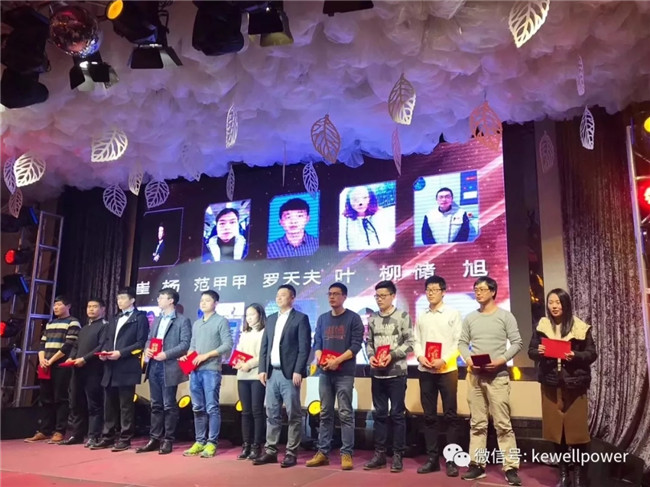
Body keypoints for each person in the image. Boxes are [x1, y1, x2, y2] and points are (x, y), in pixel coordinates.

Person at [528, 289, 597, 487]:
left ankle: (579, 475)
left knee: (577, 433)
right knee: (556, 432)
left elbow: (592, 354)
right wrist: (539, 351)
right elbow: (531, 351)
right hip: (551, 385)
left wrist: (575, 355)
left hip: (574, 386)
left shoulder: (579, 327)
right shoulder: (542, 326)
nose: (554, 306)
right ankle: (564, 473)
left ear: (565, 304)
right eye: (551, 302)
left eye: (558, 302)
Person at [458, 276, 523, 486]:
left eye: (482, 289)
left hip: (498, 376)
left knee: (503, 424)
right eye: (476, 289)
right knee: (477, 423)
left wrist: (501, 360)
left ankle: (511, 467)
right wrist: (468, 360)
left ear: (493, 292)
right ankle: (477, 465)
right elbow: (462, 343)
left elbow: (517, 343)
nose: (478, 292)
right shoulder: (470, 318)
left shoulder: (505, 316)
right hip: (475, 376)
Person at [306, 283, 364, 471]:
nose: (332, 297)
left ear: (344, 297)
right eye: (329, 294)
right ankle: (322, 452)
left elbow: (356, 346)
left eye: (336, 294)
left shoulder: (353, 318)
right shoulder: (323, 318)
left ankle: (346, 453)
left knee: (345, 413)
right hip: (325, 373)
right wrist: (319, 356)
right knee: (325, 413)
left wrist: (337, 361)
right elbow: (317, 342)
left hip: (344, 373)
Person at [253, 284, 311, 468]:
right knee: (272, 413)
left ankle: (291, 453)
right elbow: (265, 346)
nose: (278, 298)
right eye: (277, 295)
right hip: (272, 373)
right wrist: (262, 369)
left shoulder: (300, 318)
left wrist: (298, 370)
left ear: (292, 298)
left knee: (293, 414)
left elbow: (304, 348)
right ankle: (270, 451)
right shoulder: (271, 319)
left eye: (283, 295)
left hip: (289, 374)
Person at [413, 276, 462, 476]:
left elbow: (458, 342)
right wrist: (420, 356)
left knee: (450, 416)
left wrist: (444, 359)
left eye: (435, 289)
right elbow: (416, 340)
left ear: (443, 291)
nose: (431, 293)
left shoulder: (452, 313)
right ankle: (432, 459)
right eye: (428, 290)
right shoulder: (422, 315)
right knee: (429, 416)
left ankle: (451, 460)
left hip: (447, 371)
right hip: (426, 371)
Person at [364, 280, 414, 473]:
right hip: (377, 374)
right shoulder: (372, 318)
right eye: (377, 296)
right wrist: (371, 356)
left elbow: (410, 343)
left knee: (397, 415)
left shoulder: (402, 316)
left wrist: (392, 355)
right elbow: (369, 343)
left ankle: (397, 455)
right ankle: (379, 454)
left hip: (397, 373)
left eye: (383, 296)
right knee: (379, 414)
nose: (379, 299)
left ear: (393, 296)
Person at [91, 287, 149, 452]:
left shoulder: (139, 318)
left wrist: (121, 353)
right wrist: (104, 353)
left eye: (123, 298)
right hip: (110, 365)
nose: (119, 302)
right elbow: (107, 340)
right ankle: (107, 436)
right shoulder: (115, 318)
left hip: (127, 366)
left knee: (125, 405)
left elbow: (140, 343)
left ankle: (125, 438)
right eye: (118, 299)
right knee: (108, 404)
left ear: (132, 300)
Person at [136, 288, 192, 455]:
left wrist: (166, 354)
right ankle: (154, 438)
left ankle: (168, 439)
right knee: (155, 404)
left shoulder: (182, 320)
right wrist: (147, 349)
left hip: (169, 366)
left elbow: (185, 344)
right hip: (154, 365)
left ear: (171, 300)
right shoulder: (157, 319)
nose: (158, 300)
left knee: (169, 405)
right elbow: (149, 339)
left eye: (161, 298)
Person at [181, 290, 233, 458]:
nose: (203, 303)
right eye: (201, 300)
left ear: (215, 303)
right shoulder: (197, 324)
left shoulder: (221, 321)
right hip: (195, 370)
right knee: (197, 407)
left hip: (211, 369)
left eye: (207, 300)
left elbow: (227, 345)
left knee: (211, 407)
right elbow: (193, 345)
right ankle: (199, 441)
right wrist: (188, 356)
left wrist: (206, 355)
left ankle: (211, 443)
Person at [25, 296, 81, 444]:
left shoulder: (73, 322)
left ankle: (59, 431)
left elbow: (68, 345)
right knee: (45, 398)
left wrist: (51, 360)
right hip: (46, 365)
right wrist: (42, 359)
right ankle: (44, 430)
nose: (55, 307)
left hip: (61, 365)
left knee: (61, 398)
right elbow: (42, 343)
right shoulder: (50, 323)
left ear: (68, 306)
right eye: (54, 305)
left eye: (59, 305)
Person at [59, 298, 108, 447]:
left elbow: (101, 347)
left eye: (95, 306)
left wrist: (85, 359)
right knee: (75, 403)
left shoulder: (105, 326)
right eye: (89, 306)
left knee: (94, 404)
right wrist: (71, 357)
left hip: (94, 370)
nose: (91, 309)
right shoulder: (84, 328)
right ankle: (77, 434)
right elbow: (76, 345)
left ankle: (94, 436)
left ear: (103, 309)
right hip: (77, 369)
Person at [234, 303, 267, 461]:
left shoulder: (264, 332)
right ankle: (246, 445)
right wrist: (237, 362)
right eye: (247, 315)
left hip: (256, 375)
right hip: (242, 375)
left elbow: (263, 355)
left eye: (252, 314)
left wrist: (248, 364)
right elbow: (239, 352)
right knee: (245, 412)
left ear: (260, 315)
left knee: (257, 411)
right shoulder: (244, 333)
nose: (249, 318)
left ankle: (256, 446)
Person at [339, 186, 395, 251]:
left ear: (370, 198)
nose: (360, 203)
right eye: (355, 199)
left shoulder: (380, 215)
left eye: (365, 198)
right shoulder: (344, 221)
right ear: (349, 202)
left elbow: (387, 239)